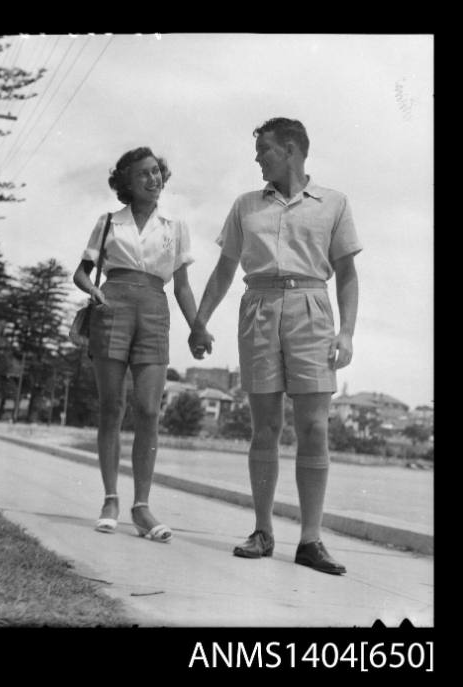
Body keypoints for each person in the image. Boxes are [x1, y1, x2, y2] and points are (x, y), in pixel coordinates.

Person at [189, 118, 362, 574]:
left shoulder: (334, 203)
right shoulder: (245, 205)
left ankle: (310, 540)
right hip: (259, 306)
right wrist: (200, 321)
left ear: (290, 149)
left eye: (264, 149)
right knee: (264, 428)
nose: (257, 157)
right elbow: (225, 269)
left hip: (312, 307)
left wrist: (346, 333)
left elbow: (346, 273)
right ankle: (262, 531)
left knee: (315, 429)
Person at [73, 146, 213, 541]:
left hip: (154, 310)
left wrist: (197, 327)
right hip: (112, 307)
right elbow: (81, 274)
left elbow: (182, 286)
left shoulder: (174, 225)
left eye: (156, 172)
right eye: (143, 175)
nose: (153, 179)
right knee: (111, 407)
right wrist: (95, 292)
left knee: (149, 410)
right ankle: (111, 499)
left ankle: (142, 507)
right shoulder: (108, 223)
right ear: (127, 184)